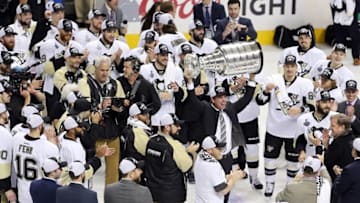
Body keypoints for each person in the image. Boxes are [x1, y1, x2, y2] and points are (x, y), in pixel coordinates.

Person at [256, 54, 314, 197]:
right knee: (270, 160)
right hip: (274, 129)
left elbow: (312, 106)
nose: (289, 69)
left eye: (292, 66)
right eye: (287, 66)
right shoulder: (274, 80)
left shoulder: (305, 84)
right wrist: (265, 91)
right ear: (283, 67)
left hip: (294, 131)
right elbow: (260, 101)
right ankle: (269, 185)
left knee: (293, 162)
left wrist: (300, 109)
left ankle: (290, 188)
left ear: (296, 67)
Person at [79, 55, 125, 185]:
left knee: (113, 172)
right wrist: (99, 106)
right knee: (90, 168)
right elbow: (82, 108)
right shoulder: (85, 83)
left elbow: (122, 106)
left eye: (107, 70)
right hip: (94, 133)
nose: (105, 73)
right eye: (102, 70)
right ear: (95, 69)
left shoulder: (116, 84)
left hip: (112, 131)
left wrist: (117, 108)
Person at [145, 113, 199, 203]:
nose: (179, 128)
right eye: (176, 125)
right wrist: (190, 153)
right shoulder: (174, 145)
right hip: (171, 194)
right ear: (167, 127)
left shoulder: (151, 141)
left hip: (153, 193)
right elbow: (187, 166)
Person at [12, 114, 59, 203]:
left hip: (22, 194)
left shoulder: (16, 138)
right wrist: (52, 141)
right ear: (40, 126)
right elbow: (55, 173)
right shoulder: (49, 147)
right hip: (39, 195)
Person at [139, 43, 184, 128]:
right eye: (162, 55)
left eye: (167, 55)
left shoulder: (176, 70)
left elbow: (182, 97)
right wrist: (156, 96)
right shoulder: (145, 69)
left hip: (170, 113)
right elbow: (142, 94)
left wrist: (178, 90)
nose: (165, 58)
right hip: (153, 115)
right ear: (156, 56)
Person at [194, 135, 246, 203]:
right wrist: (234, 179)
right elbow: (222, 190)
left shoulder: (200, 158)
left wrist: (230, 176)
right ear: (209, 150)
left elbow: (210, 180)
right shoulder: (212, 166)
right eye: (218, 148)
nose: (221, 150)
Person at [297, 90, 338, 161]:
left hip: (330, 158)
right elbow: (300, 139)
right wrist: (302, 152)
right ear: (317, 102)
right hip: (309, 158)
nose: (327, 105)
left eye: (329, 102)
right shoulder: (303, 118)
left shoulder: (336, 117)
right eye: (324, 102)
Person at [324, 113, 354, 182]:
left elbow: (326, 162)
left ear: (342, 127)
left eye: (333, 126)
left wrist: (325, 146)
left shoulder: (337, 144)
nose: (330, 128)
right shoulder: (354, 139)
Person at [330, 0, 360, 65]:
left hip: (351, 21)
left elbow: (351, 12)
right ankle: (336, 55)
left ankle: (356, 57)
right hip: (338, 20)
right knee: (339, 39)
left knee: (355, 39)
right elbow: (332, 5)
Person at [334, 137, 360, 202]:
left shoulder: (349, 170)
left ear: (354, 151)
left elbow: (338, 189)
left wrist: (339, 175)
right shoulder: (350, 170)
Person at [0, 104, 16, 203]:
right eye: (5, 112)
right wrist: (7, 188)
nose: (8, 115)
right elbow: (2, 163)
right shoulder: (4, 134)